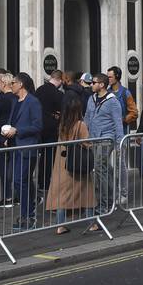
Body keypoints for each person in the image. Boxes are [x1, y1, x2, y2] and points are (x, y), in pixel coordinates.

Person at [49, 92, 95, 234]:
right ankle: (91, 223)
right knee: (87, 193)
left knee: (62, 196)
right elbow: (87, 143)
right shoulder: (80, 125)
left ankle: (60, 225)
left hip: (62, 163)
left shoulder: (63, 123)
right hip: (78, 163)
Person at [2, 73, 42, 229]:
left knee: (20, 181)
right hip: (15, 147)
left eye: (13, 82)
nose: (10, 85)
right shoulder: (15, 101)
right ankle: (30, 205)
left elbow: (37, 126)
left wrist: (17, 131)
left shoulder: (33, 102)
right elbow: (12, 121)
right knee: (18, 180)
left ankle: (27, 216)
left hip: (27, 148)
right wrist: (7, 135)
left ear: (21, 84)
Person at [83, 74, 123, 227]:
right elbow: (87, 117)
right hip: (94, 139)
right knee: (103, 169)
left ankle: (104, 204)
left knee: (100, 168)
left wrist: (119, 143)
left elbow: (118, 123)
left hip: (107, 139)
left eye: (93, 83)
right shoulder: (91, 98)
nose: (91, 84)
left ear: (102, 85)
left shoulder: (113, 102)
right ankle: (113, 196)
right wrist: (84, 135)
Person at [34, 67, 66, 200]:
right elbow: (61, 109)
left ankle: (40, 182)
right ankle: (46, 183)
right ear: (59, 80)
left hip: (38, 127)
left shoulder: (39, 89)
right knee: (49, 157)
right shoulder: (57, 94)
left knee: (40, 156)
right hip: (51, 128)